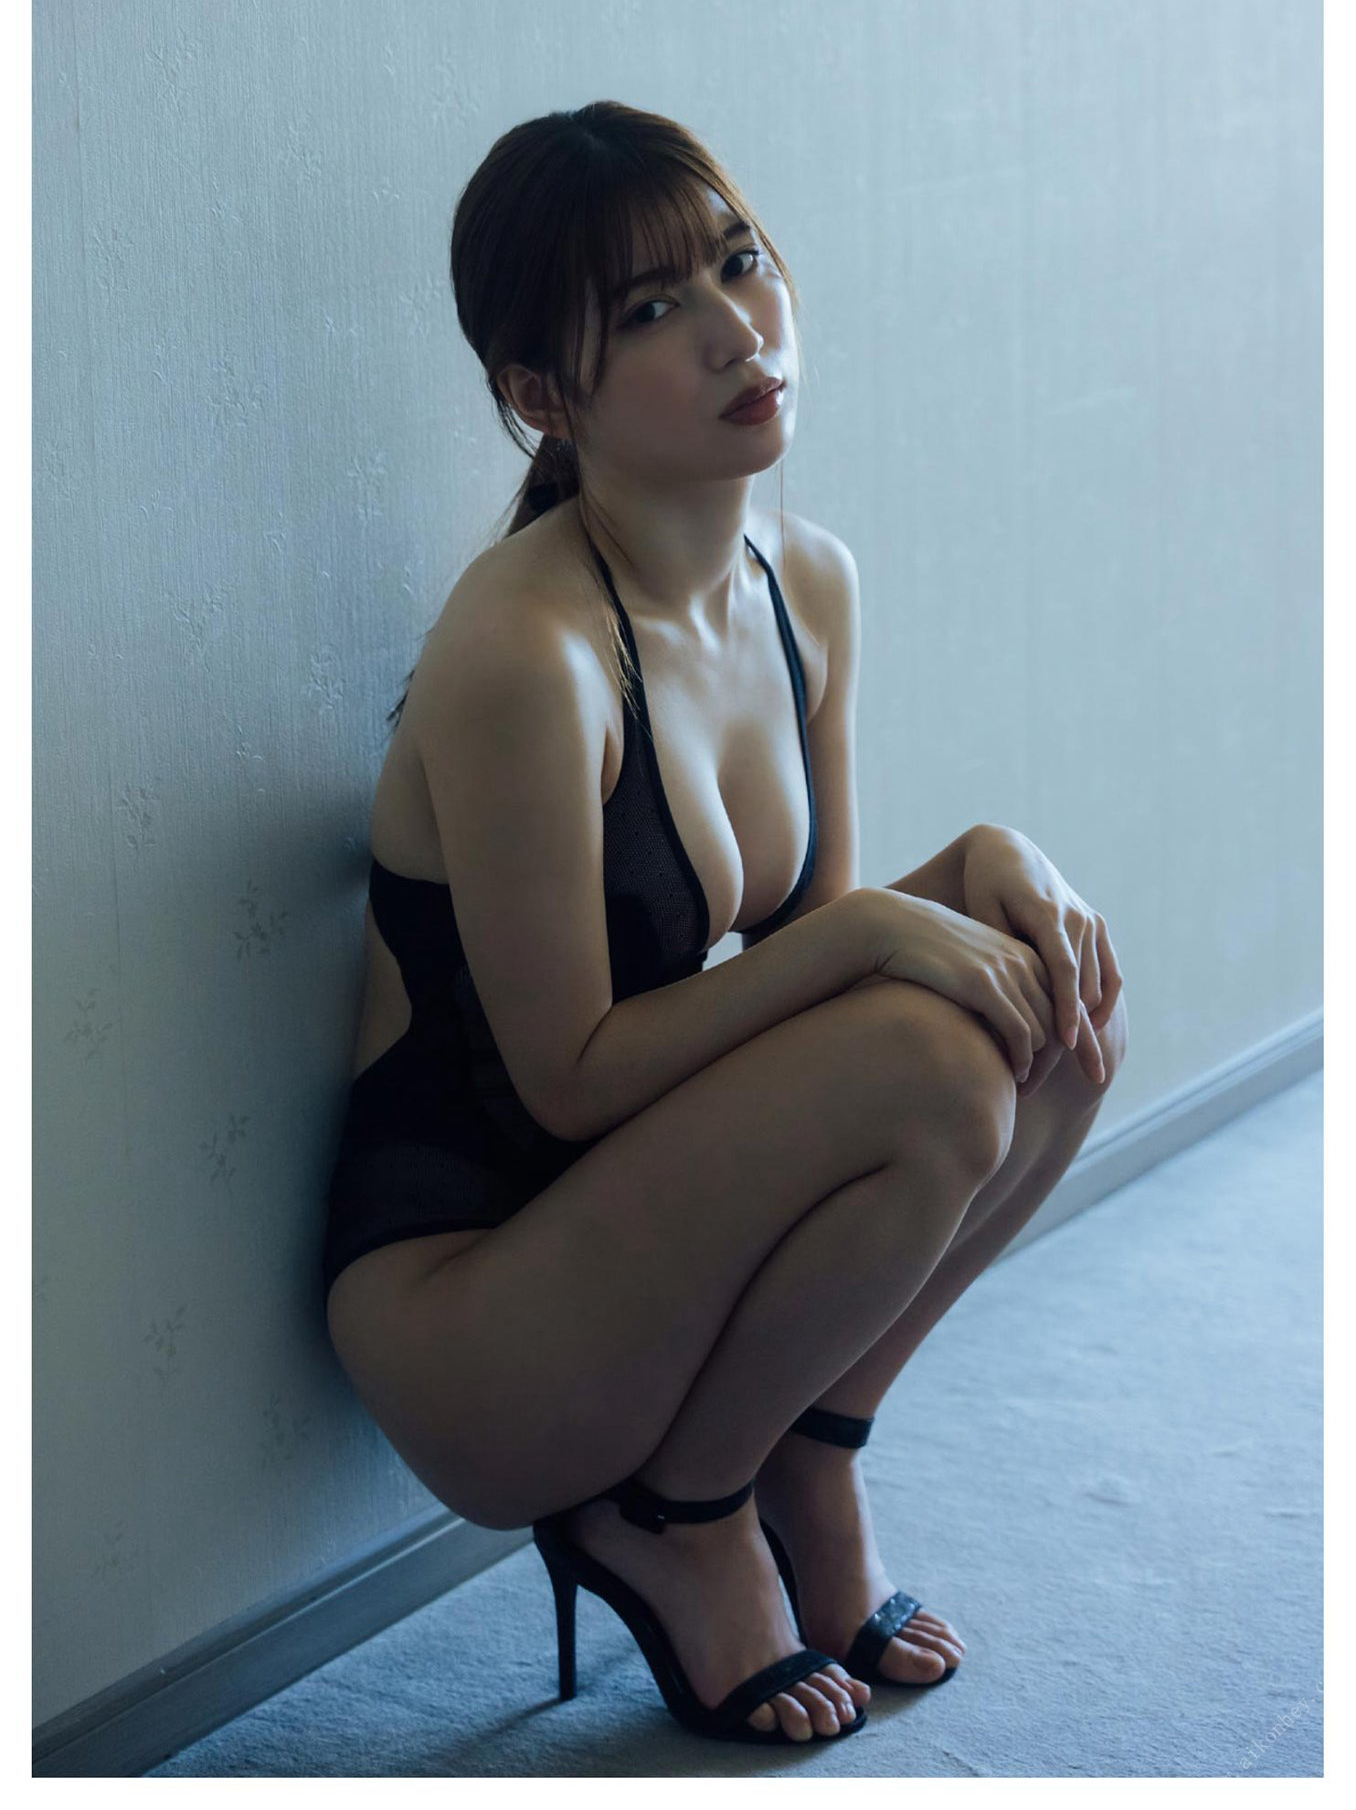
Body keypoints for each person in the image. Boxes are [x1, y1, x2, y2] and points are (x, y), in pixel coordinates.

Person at [321, 101, 1127, 1750]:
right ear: (544, 397)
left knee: (1052, 1004)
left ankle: (805, 1458)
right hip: (478, 1320)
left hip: (639, 1239)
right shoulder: (526, 655)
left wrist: (974, 866)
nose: (736, 329)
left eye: (738, 264)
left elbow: (815, 975)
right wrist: (878, 938)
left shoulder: (802, 578)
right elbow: (568, 1082)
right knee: (933, 1055)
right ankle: (672, 1516)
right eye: (650, 309)